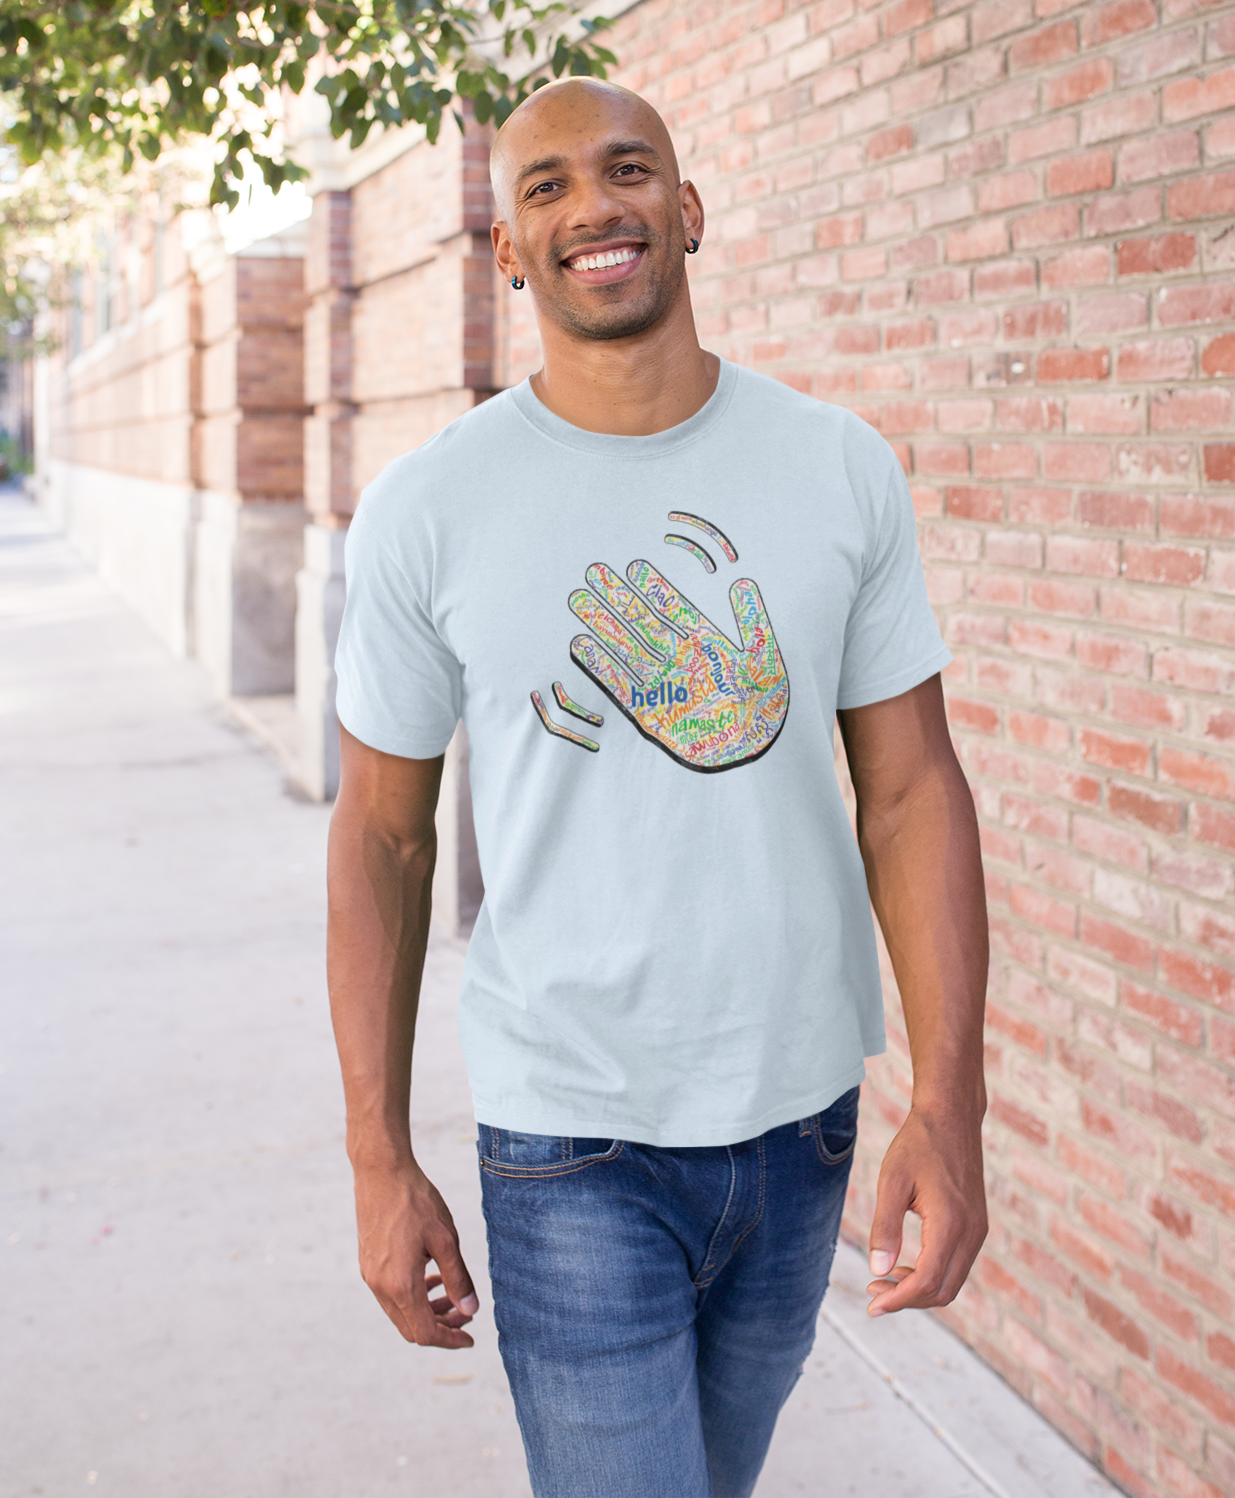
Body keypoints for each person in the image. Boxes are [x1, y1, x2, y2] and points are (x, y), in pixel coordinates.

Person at [327, 80, 989, 1498]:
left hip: (802, 1119)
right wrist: (378, 1159)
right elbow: (382, 838)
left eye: (626, 172)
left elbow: (913, 791)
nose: (592, 207)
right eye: (546, 187)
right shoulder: (429, 509)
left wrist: (951, 1104)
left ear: (685, 212)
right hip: (572, 1137)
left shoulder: (834, 467)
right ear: (508, 248)